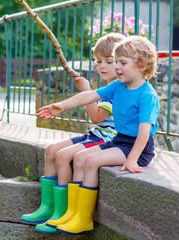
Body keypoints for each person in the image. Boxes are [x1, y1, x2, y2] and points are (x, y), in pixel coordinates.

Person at [37, 35, 160, 235]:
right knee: (79, 157)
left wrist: (132, 159)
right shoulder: (118, 86)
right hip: (119, 140)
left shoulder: (147, 95)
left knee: (91, 161)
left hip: (137, 148)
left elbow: (145, 132)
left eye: (122, 63)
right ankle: (71, 212)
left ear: (142, 65)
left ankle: (83, 219)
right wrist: (62, 106)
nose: (117, 68)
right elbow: (90, 95)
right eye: (117, 62)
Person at [20, 33, 125, 234]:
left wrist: (86, 89)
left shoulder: (118, 90)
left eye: (109, 62)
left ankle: (63, 212)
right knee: (51, 150)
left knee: (63, 156)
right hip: (95, 134)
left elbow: (96, 116)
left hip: (106, 139)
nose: (102, 66)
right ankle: (48, 207)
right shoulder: (109, 87)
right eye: (98, 61)